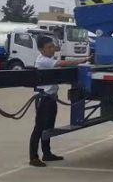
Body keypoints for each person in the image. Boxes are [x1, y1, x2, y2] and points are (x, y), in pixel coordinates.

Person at [29, 36, 88, 167]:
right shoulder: (43, 60)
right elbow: (62, 64)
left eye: (53, 46)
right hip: (44, 99)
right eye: (49, 47)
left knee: (48, 127)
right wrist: (83, 60)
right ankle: (33, 157)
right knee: (39, 128)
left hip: (51, 98)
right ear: (41, 50)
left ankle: (47, 153)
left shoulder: (48, 59)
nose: (52, 49)